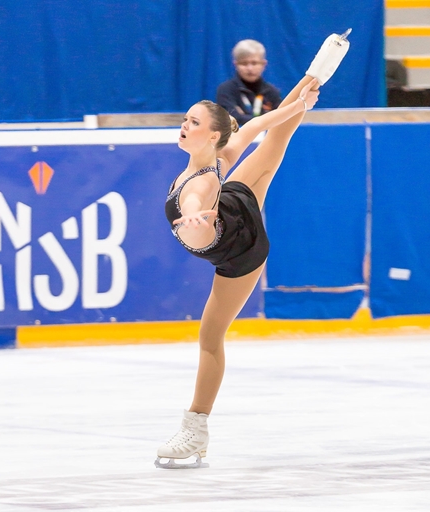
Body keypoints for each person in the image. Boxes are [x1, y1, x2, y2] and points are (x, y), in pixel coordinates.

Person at [157, 31, 350, 469]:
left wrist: (190, 215)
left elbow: (194, 198)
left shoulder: (206, 178)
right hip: (235, 204)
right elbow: (260, 126)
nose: (184, 126)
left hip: (241, 249)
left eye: (192, 123)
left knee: (210, 337)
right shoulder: (220, 158)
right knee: (277, 139)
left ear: (210, 137)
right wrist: (301, 98)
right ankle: (313, 75)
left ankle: (195, 429)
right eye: (185, 119)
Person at [216, 39, 283, 126]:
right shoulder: (225, 90)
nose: (250, 68)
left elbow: (280, 119)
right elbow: (232, 119)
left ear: (263, 64)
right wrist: (267, 119)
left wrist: (243, 116)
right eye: (244, 63)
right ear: (235, 65)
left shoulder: (272, 92)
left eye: (254, 63)